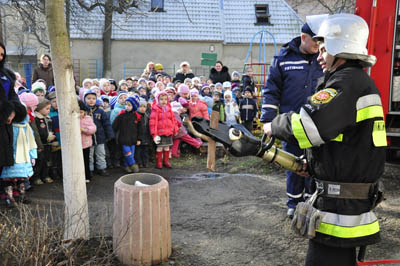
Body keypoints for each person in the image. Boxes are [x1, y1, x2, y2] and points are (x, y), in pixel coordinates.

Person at [263, 14, 385, 266]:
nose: (319, 55)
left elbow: (308, 126)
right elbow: (339, 139)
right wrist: (314, 164)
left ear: (341, 49)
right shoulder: (356, 82)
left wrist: (272, 125)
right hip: (344, 200)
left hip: (339, 208)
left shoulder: (345, 83)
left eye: (324, 48)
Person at [260, 17, 325, 219]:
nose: (319, 46)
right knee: (293, 164)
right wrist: (267, 121)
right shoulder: (283, 58)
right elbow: (271, 92)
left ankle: (310, 201)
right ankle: (294, 203)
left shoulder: (324, 58)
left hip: (316, 124)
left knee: (316, 165)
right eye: (315, 41)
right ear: (303, 37)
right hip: (290, 125)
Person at [84, 89, 114, 176]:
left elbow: (106, 123)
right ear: (85, 99)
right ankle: (90, 169)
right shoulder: (83, 111)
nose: (91, 100)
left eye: (93, 98)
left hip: (100, 137)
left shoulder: (100, 111)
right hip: (88, 137)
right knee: (89, 155)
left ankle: (101, 167)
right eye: (88, 98)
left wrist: (110, 134)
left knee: (100, 153)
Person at [149, 91, 178, 169]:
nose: (164, 101)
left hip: (168, 132)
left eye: (165, 99)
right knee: (160, 147)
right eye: (161, 99)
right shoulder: (155, 109)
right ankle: (159, 162)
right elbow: (153, 123)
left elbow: (173, 119)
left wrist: (175, 129)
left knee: (167, 147)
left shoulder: (169, 109)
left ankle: (166, 161)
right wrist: (154, 134)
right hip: (160, 133)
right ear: (158, 100)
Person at [78, 100, 96, 183]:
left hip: (85, 143)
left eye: (81, 112)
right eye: (78, 112)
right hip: (76, 144)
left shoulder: (88, 119)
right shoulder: (73, 119)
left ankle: (87, 176)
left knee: (86, 160)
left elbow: (93, 129)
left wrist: (84, 130)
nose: (79, 114)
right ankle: (78, 176)